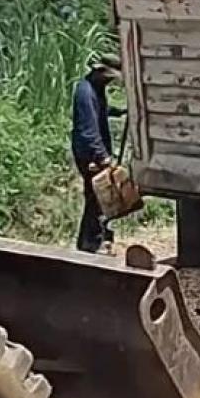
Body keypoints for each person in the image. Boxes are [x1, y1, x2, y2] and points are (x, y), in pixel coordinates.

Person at [71, 55, 126, 253]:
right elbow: (88, 129)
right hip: (89, 153)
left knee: (99, 197)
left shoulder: (95, 89)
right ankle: (90, 242)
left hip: (92, 150)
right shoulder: (85, 92)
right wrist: (102, 157)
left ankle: (96, 238)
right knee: (96, 196)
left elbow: (100, 111)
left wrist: (118, 112)